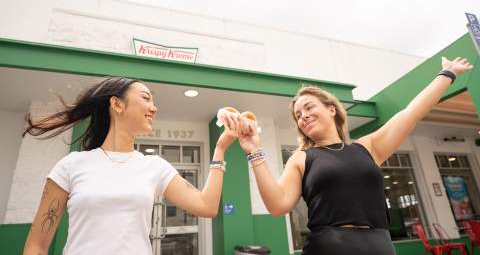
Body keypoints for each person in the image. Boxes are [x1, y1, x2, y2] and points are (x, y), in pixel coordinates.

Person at [234, 57, 473, 255]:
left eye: (308, 107)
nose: (303, 116)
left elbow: (412, 112)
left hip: (379, 245)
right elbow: (277, 206)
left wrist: (447, 73)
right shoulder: (302, 158)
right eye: (298, 115)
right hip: (328, 247)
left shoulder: (367, 147)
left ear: (331, 109)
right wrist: (255, 151)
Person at [22, 77, 240, 255]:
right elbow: (36, 247)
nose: (154, 108)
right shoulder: (71, 165)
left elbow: (207, 206)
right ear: (116, 104)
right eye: (146, 98)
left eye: (153, 102)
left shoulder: (154, 166)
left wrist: (220, 149)